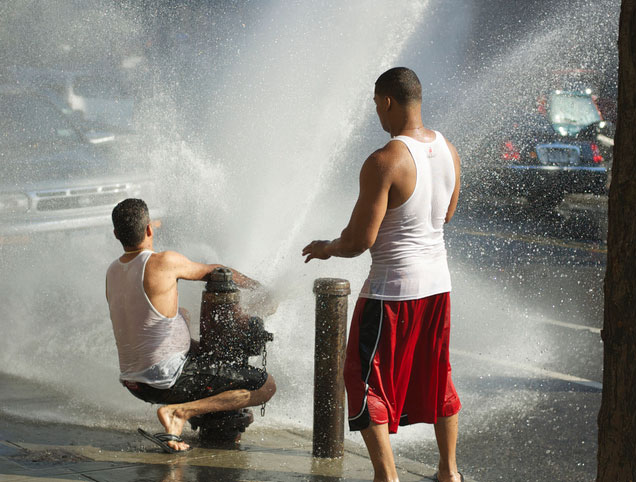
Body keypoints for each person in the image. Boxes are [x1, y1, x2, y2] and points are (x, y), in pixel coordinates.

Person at [302, 67, 463, 482]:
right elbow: (446, 215)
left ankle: (386, 477)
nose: (377, 114)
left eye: (376, 105)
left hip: (391, 293)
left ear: (388, 101)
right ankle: (449, 473)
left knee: (361, 380)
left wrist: (327, 248)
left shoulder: (384, 161)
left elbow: (359, 240)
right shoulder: (449, 150)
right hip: (438, 286)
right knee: (438, 374)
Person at [105, 198, 276, 452]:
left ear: (116, 234)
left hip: (135, 384)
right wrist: (259, 289)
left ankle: (184, 408)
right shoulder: (162, 262)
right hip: (167, 381)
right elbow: (217, 272)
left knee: (181, 313)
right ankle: (180, 413)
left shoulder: (112, 271)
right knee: (266, 385)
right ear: (149, 229)